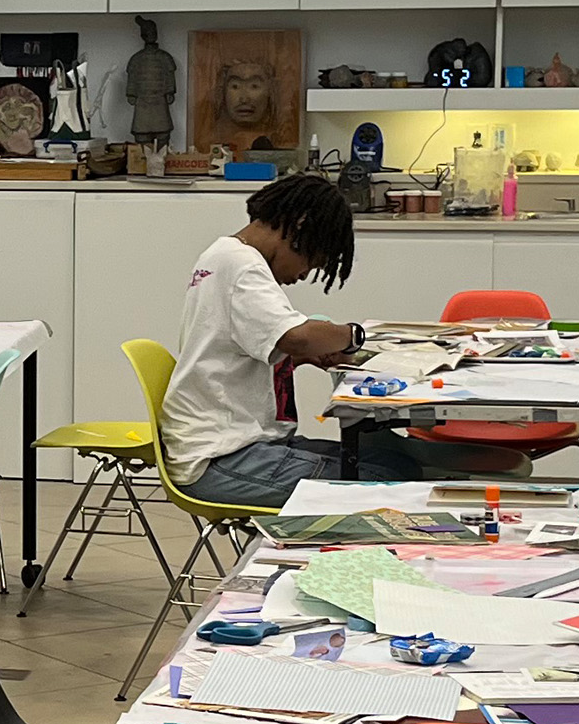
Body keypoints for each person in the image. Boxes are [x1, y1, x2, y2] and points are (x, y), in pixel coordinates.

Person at [160, 174, 524, 509]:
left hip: (240, 444)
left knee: (390, 461)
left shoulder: (223, 256)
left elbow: (233, 350)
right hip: (224, 458)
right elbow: (298, 336)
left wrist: (300, 358)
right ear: (299, 227)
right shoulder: (242, 266)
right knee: (387, 481)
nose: (301, 276)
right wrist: (353, 336)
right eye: (310, 262)